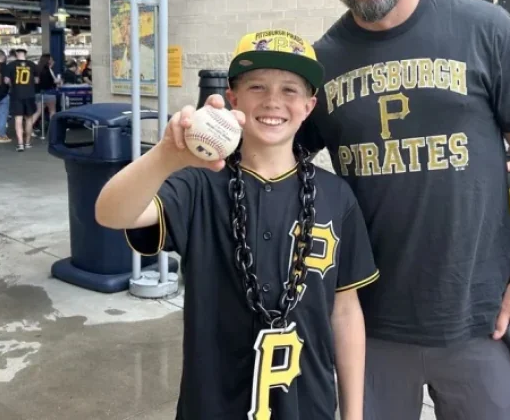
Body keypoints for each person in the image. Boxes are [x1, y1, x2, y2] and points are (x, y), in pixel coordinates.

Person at [295, 0, 510, 419]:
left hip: (481, 316)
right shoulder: (318, 64)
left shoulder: (483, 29)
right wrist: (226, 120)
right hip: (366, 320)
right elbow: (274, 161)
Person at [96, 30, 379, 420]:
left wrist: (354, 414)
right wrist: (165, 157)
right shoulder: (197, 184)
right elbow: (111, 213)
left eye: (290, 90)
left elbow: (345, 312)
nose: (273, 101)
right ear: (234, 100)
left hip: (307, 404)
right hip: (212, 403)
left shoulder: (336, 196)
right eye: (257, 86)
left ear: (310, 105)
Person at [2, 48, 39, 151]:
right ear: (26, 54)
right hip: (30, 94)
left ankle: (20, 144)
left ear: (16, 54)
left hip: (16, 94)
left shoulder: (10, 65)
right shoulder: (32, 65)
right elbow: (36, 81)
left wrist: (13, 83)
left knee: (18, 120)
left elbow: (6, 81)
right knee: (29, 119)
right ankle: (27, 142)